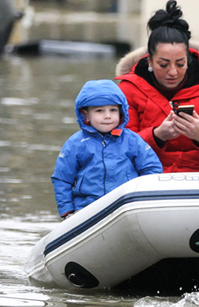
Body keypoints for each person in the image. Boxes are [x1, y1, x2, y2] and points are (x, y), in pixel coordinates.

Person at [115, 0, 199, 173]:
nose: (172, 72)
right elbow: (116, 152)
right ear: (149, 60)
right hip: (145, 180)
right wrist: (157, 136)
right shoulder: (128, 90)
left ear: (188, 60)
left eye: (180, 64)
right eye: (163, 65)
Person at [52, 79, 162, 219]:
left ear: (121, 112)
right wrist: (67, 210)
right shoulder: (75, 143)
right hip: (87, 208)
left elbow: (152, 168)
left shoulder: (132, 140)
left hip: (126, 206)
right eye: (99, 110)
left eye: (113, 110)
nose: (108, 115)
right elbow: (62, 179)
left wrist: (142, 199)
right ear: (86, 115)